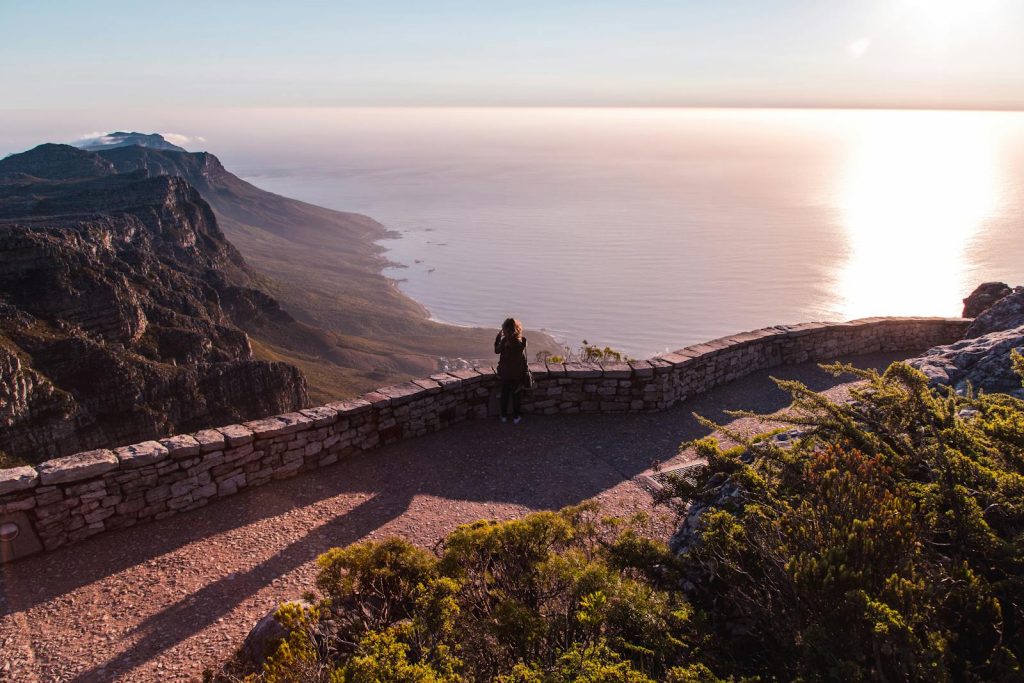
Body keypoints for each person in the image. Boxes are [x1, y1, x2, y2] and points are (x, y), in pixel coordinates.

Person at [494, 317, 528, 424]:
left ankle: (503, 416)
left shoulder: (504, 342)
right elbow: (523, 358)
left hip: (505, 373)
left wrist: (498, 338)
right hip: (517, 374)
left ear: (506, 330)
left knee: (505, 395)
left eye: (503, 330)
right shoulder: (522, 342)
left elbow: (496, 351)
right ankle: (516, 417)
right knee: (516, 395)